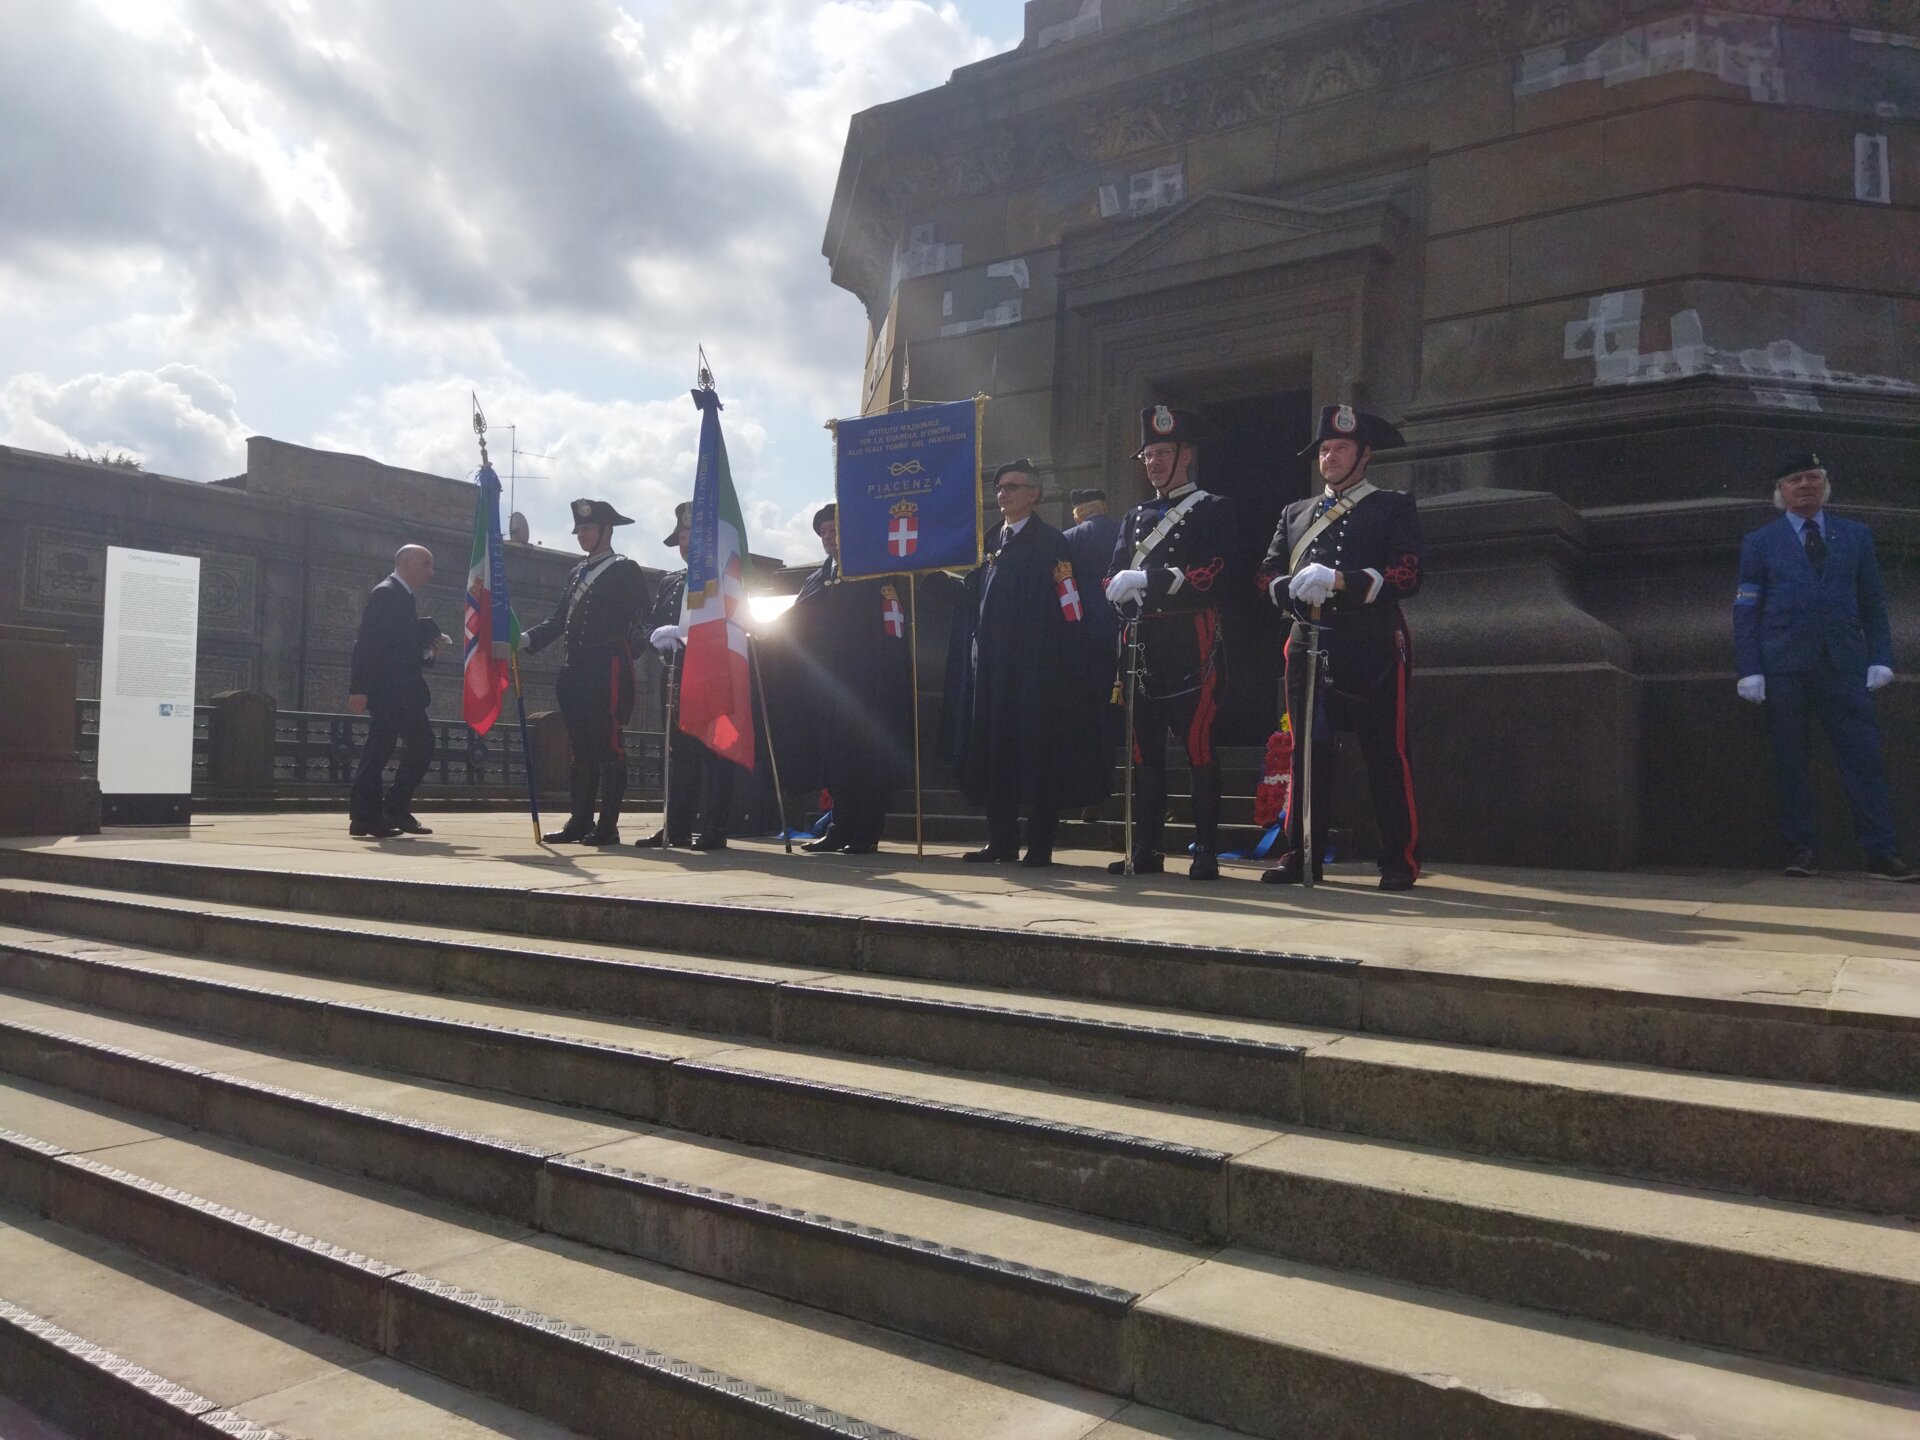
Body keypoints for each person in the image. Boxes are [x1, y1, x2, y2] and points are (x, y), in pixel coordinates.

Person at [1255, 404, 1423, 891]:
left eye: (1340, 448)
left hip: (1370, 645)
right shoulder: (1295, 513)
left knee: (1386, 754)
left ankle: (1399, 859)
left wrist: (1341, 580)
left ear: (1364, 454)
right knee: (1308, 755)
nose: (1329, 457)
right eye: (1324, 449)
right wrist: (1290, 587)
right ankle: (1300, 854)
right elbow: (1264, 574)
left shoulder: (1393, 506)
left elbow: (1407, 575)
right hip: (1308, 644)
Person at [1734, 454, 1914, 881]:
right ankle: (1802, 849)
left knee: (1863, 759)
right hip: (1784, 667)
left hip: (1844, 664)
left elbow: (1873, 602)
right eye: (1795, 479)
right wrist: (1750, 667)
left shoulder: (1855, 536)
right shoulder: (1760, 542)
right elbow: (1746, 609)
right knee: (1791, 760)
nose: (1805, 485)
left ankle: (1882, 853)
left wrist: (1881, 657)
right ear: (1780, 491)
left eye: (1813, 477)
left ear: (1825, 485)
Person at [944, 460, 1106, 866]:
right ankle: (1000, 840)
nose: (1005, 493)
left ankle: (1038, 844)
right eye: (1000, 487)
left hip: (1036, 671)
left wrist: (1067, 658)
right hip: (992, 673)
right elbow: (975, 600)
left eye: (1014, 486)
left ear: (1035, 494)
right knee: (996, 753)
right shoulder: (988, 542)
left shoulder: (1051, 542)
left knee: (1038, 755)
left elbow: (1069, 602)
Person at [1103, 407, 1239, 881]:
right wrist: (1117, 589)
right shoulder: (1134, 516)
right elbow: (1115, 571)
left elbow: (1215, 572)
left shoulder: (1213, 508)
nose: (1154, 462)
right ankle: (1146, 847)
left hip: (1191, 641)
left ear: (1186, 455)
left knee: (1198, 747)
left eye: (1163, 453)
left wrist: (1151, 578)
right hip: (1141, 645)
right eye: (1148, 455)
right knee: (1144, 753)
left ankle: (1205, 849)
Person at [768, 503, 913, 855]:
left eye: (835, 530)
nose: (829, 537)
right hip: (828, 686)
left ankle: (865, 831)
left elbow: (893, 623)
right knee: (836, 761)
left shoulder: (873, 574)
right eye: (824, 533)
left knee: (864, 760)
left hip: (866, 684)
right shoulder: (817, 580)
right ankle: (839, 827)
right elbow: (795, 620)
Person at [523, 498, 651, 845]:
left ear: (606, 531)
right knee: (579, 746)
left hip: (606, 665)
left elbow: (642, 619)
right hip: (575, 667)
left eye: (588, 529)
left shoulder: (625, 569)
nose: (582, 535)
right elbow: (558, 619)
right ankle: (579, 820)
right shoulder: (576, 572)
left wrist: (632, 652)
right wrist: (526, 640)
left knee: (608, 744)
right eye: (579, 530)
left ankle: (607, 826)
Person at [635, 502, 739, 850]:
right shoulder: (670, 582)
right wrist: (656, 638)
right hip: (676, 679)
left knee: (714, 755)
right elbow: (651, 626)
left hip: (710, 677)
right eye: (681, 537)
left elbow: (732, 627)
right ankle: (676, 826)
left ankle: (714, 827)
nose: (685, 543)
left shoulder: (720, 582)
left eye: (692, 536)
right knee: (681, 757)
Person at [346, 544, 448, 839]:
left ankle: (376, 814)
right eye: (426, 563)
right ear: (405, 562)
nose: (431, 571)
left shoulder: (403, 596)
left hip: (400, 690)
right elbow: (367, 643)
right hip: (389, 691)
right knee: (407, 746)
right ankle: (381, 812)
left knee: (386, 749)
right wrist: (359, 688)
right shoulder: (387, 592)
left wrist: (430, 652)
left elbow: (401, 651)